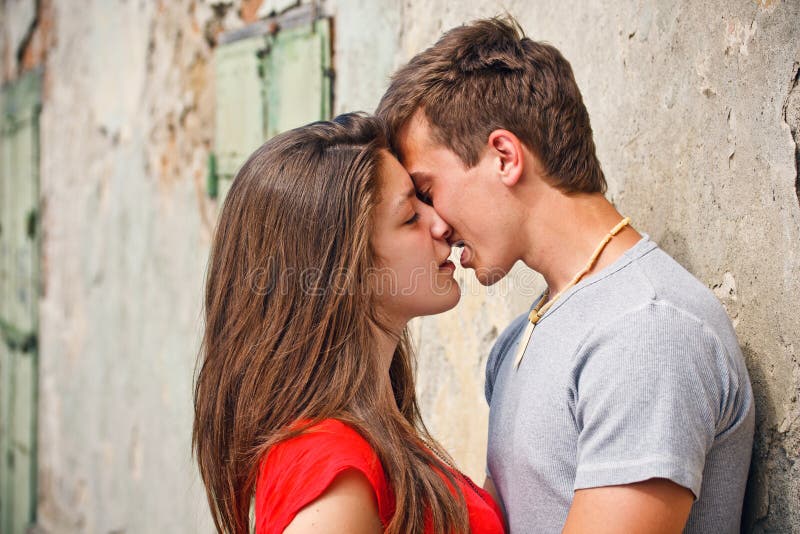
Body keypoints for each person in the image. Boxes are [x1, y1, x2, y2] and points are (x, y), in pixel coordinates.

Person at [376, 16, 754, 534]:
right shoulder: (524, 333)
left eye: (428, 189)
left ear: (504, 157)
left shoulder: (646, 330)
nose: (436, 223)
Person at [192, 113, 505, 534]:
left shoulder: (363, 440)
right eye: (410, 216)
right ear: (344, 267)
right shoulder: (335, 466)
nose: (441, 225)